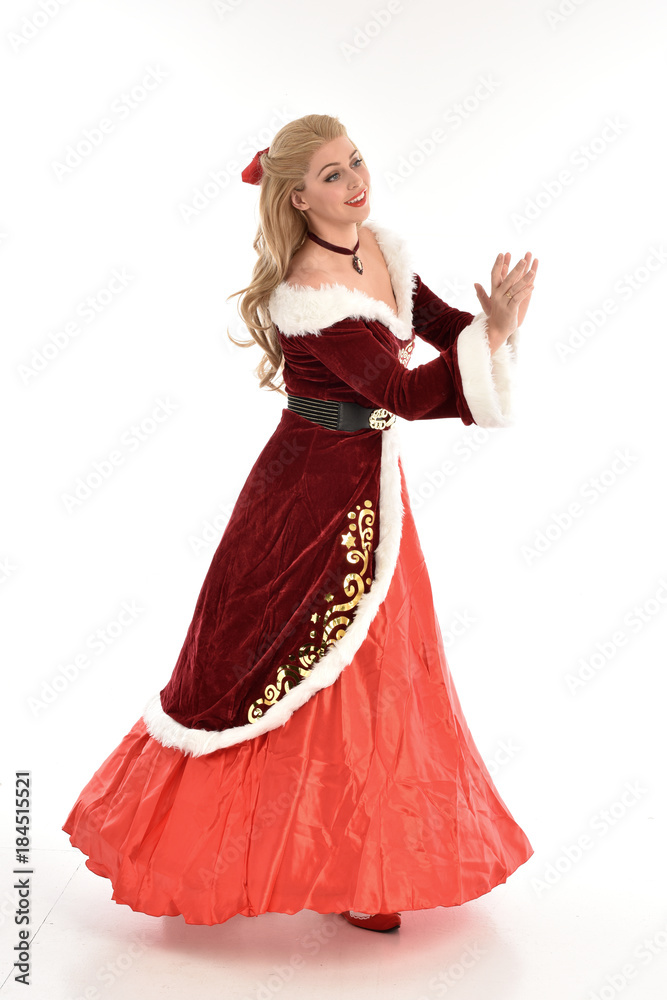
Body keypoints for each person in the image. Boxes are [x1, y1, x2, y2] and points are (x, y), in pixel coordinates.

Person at [63, 113, 538, 934]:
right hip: (305, 495)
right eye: (330, 174)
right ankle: (234, 856)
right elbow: (404, 394)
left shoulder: (381, 248)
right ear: (296, 195)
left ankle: (359, 857)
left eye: (355, 161)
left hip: (372, 490)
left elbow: (439, 333)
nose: (355, 180)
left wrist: (494, 323)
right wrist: (488, 335)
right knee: (281, 655)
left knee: (377, 666)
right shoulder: (307, 294)